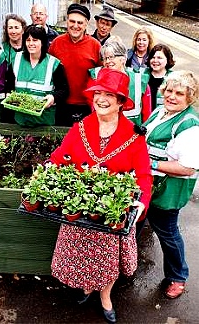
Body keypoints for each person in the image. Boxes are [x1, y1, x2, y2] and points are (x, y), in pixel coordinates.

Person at [49, 68, 152, 323]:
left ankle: (105, 296)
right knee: (81, 253)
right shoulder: (81, 127)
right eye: (97, 93)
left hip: (112, 211)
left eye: (109, 95)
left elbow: (144, 174)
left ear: (120, 102)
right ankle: (86, 286)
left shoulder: (134, 135)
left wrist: (141, 201)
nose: (101, 99)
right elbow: (61, 156)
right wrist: (52, 168)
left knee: (107, 261)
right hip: (81, 207)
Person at [143, 70, 199, 299]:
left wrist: (149, 163)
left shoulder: (189, 124)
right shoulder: (162, 111)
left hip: (168, 189)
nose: (172, 96)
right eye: (169, 91)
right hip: (151, 183)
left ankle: (178, 276)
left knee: (167, 232)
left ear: (189, 97)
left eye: (179, 93)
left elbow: (187, 167)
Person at [48, 3, 101, 126]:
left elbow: (102, 76)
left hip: (86, 105)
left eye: (80, 23)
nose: (75, 26)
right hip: (61, 104)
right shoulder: (56, 44)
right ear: (67, 21)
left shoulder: (95, 46)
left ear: (86, 24)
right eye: (72, 21)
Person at [12, 24, 69, 127]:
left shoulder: (54, 64)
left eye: (35, 40)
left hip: (44, 121)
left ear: (42, 42)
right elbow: (9, 84)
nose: (31, 43)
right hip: (20, 121)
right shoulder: (16, 59)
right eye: (28, 40)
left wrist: (53, 98)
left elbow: (64, 90)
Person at [88, 37, 151, 125]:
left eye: (111, 57)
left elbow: (147, 114)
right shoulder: (98, 80)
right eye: (105, 58)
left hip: (132, 133)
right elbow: (94, 110)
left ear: (123, 58)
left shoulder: (139, 81)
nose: (107, 61)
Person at [2, 14, 27, 123]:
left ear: (23, 29)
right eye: (10, 27)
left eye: (16, 27)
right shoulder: (2, 49)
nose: (13, 31)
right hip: (6, 95)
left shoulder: (30, 47)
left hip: (25, 95)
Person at [146, 43, 175, 110]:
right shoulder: (141, 75)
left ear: (167, 60)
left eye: (159, 58)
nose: (155, 61)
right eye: (153, 57)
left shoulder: (174, 78)